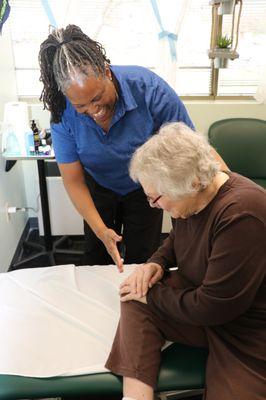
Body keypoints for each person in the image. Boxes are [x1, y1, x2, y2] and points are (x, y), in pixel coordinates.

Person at [38, 25, 227, 271]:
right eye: (81, 106)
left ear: (106, 72)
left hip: (147, 187)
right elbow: (73, 180)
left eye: (96, 98)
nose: (94, 111)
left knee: (144, 257)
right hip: (98, 185)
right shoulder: (62, 112)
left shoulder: (149, 90)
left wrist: (231, 191)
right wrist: (100, 230)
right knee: (96, 256)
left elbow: (194, 150)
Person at [105, 122, 266, 400]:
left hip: (247, 328)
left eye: (157, 199)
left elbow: (213, 308)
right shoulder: (193, 198)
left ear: (193, 183)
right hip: (206, 301)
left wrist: (153, 298)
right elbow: (178, 240)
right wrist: (155, 264)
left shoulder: (242, 213)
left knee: (144, 296)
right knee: (134, 294)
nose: (155, 207)